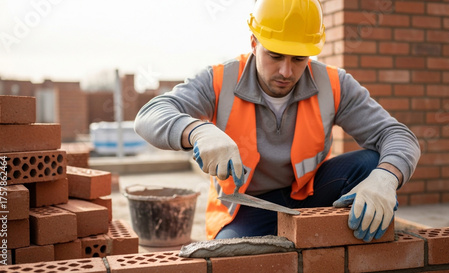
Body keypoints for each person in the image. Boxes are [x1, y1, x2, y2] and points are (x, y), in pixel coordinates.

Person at [134, 0, 420, 242]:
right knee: (230, 258)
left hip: (310, 196)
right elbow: (149, 115)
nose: (286, 71)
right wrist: (197, 130)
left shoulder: (333, 83)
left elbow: (397, 135)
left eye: (298, 58)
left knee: (371, 164)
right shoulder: (220, 79)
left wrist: (386, 179)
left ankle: (347, 243)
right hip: (246, 208)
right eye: (275, 55)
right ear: (254, 43)